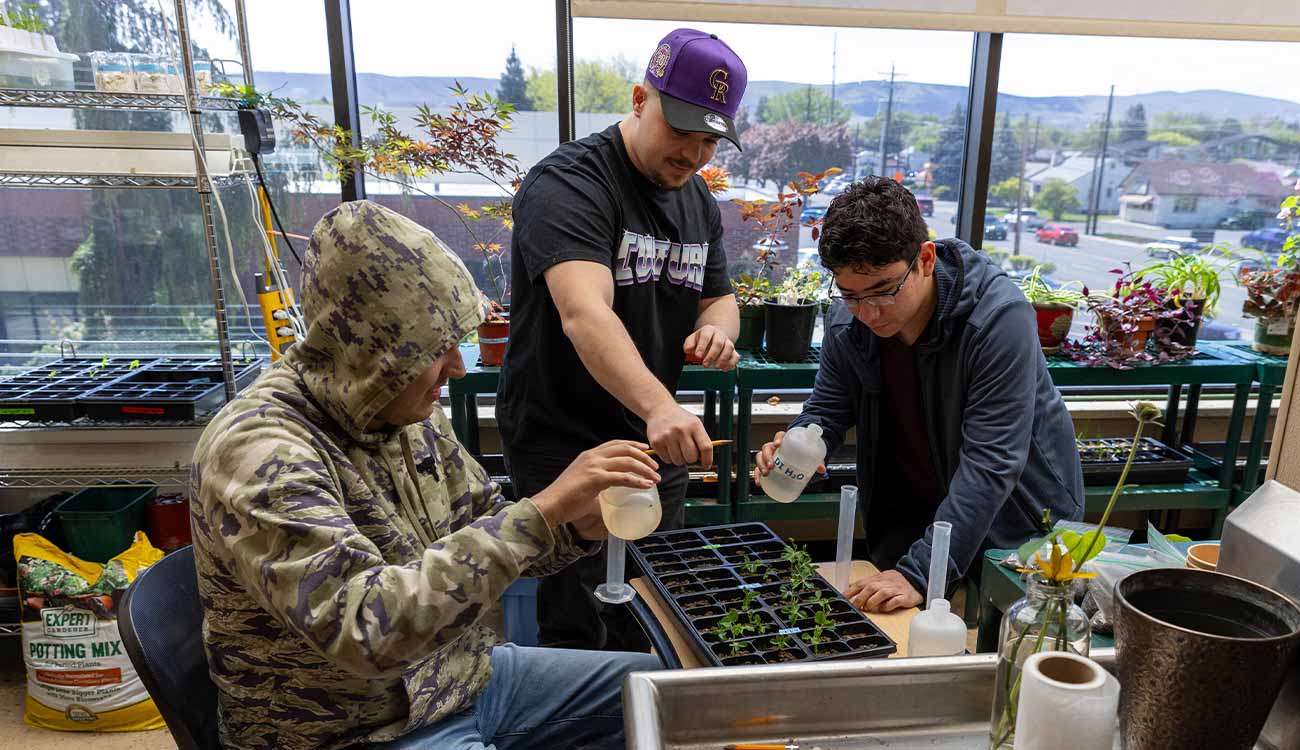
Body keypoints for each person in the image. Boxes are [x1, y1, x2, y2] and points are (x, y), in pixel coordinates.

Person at [190, 201, 662, 750]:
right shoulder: (259, 451)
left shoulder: (405, 411)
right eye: (438, 350)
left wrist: (576, 527)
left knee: (671, 696)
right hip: (346, 729)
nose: (458, 368)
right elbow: (366, 631)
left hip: (462, 679)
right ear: (373, 352)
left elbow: (485, 526)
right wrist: (544, 511)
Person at [497, 28, 749, 650]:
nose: (694, 154)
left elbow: (718, 295)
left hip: (651, 444)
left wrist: (716, 330)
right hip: (566, 442)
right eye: (681, 130)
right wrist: (661, 404)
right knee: (580, 620)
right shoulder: (572, 183)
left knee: (661, 607)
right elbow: (586, 313)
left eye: (710, 140)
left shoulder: (697, 201)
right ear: (641, 99)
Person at [755, 177, 1084, 613]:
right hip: (912, 515)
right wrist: (800, 441)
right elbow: (829, 408)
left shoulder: (998, 320)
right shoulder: (847, 322)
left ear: (925, 259)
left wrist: (921, 571)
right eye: (851, 295)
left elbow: (992, 461)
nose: (869, 313)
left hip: (1016, 524)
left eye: (884, 291)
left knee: (1003, 647)